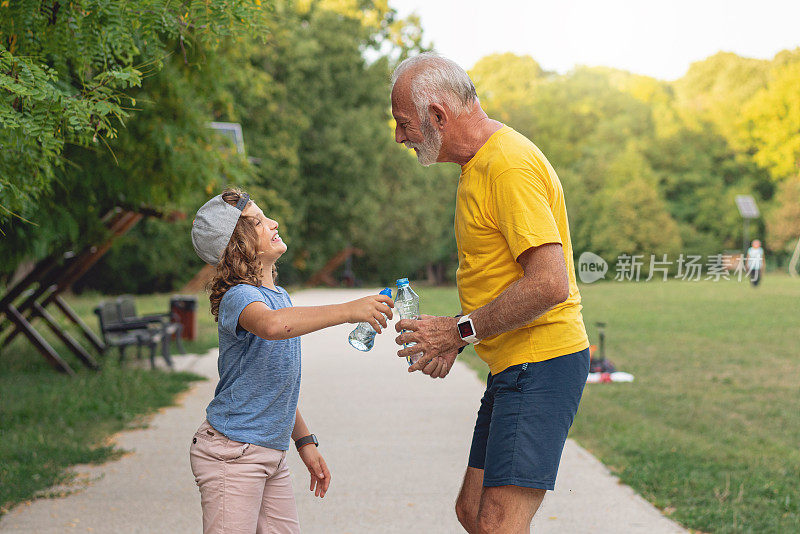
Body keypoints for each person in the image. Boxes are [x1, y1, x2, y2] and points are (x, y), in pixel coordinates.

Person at [390, 53, 590, 533]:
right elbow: (499, 276)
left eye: (403, 123)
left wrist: (458, 330)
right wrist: (458, 337)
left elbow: (549, 282)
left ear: (437, 116)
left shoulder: (507, 166)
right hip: (513, 364)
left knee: (499, 523)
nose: (399, 136)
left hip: (542, 361)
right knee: (473, 513)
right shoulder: (477, 165)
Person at [189, 188, 393, 534]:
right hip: (232, 454)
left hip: (270, 453)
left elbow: (276, 383)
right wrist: (347, 311)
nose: (273, 222)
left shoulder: (279, 296)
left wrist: (305, 441)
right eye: (257, 221)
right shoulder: (240, 297)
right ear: (236, 246)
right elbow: (272, 325)